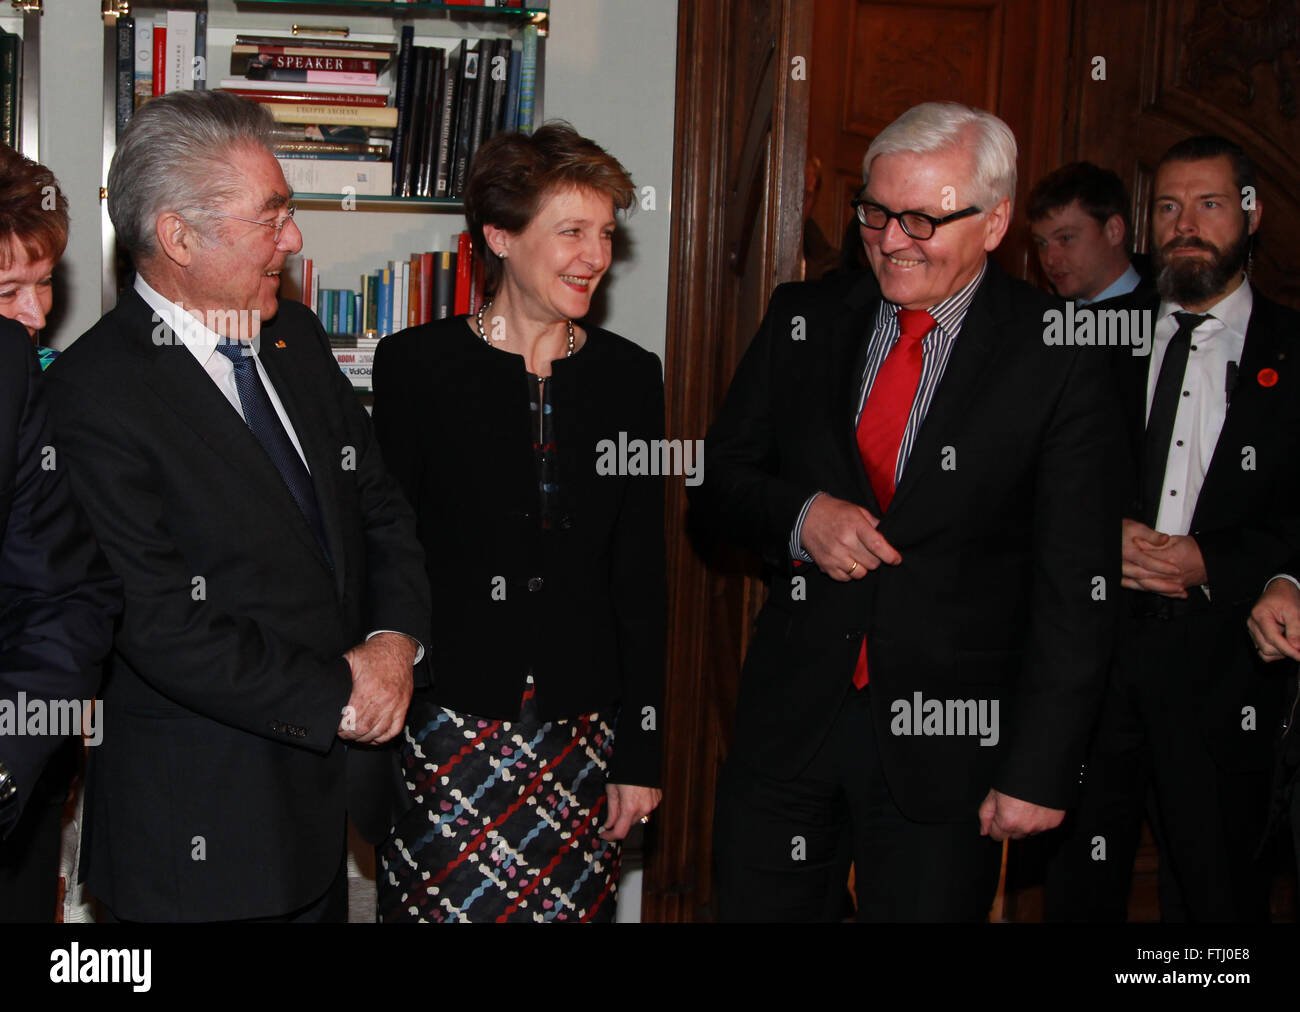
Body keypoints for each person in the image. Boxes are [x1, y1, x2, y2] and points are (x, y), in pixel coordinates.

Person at [691, 101, 1122, 922]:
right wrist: (800, 516)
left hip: (952, 745)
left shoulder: (1059, 354)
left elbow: (1078, 584)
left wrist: (1039, 766)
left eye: (923, 220)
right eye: (877, 213)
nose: (892, 240)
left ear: (995, 223)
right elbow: (715, 482)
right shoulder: (804, 317)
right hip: (791, 727)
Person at [45, 90, 432, 923]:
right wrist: (342, 692)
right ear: (179, 237)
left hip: (323, 814)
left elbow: (381, 510)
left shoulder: (290, 340)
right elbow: (160, 624)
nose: (294, 240)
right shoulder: (93, 393)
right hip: (199, 840)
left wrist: (395, 645)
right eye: (272, 217)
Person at [370, 122, 664, 923]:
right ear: (500, 236)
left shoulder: (630, 378)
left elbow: (640, 575)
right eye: (570, 231)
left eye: (605, 233)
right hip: (444, 726)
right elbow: (387, 552)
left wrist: (641, 749)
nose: (594, 255)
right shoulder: (414, 366)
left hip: (584, 734)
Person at [1045, 135, 1300, 921]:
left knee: (1216, 898)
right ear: (1146, 225)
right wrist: (1096, 534)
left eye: (1210, 204)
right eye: (1168, 207)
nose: (1186, 224)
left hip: (1229, 673)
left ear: (1251, 216)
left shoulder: (1295, 351)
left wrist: (1218, 563)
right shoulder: (1085, 337)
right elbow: (1027, 481)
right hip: (1092, 663)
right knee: (1078, 891)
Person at [0, 146, 120, 921]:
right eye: (11, 289)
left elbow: (64, 593)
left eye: (44, 285)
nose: (38, 315)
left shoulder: (24, 378)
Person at [1028, 161, 1149, 304]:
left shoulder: (1163, 319)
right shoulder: (1043, 316)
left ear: (1113, 231)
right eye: (1042, 243)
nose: (1049, 259)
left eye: (1065, 238)